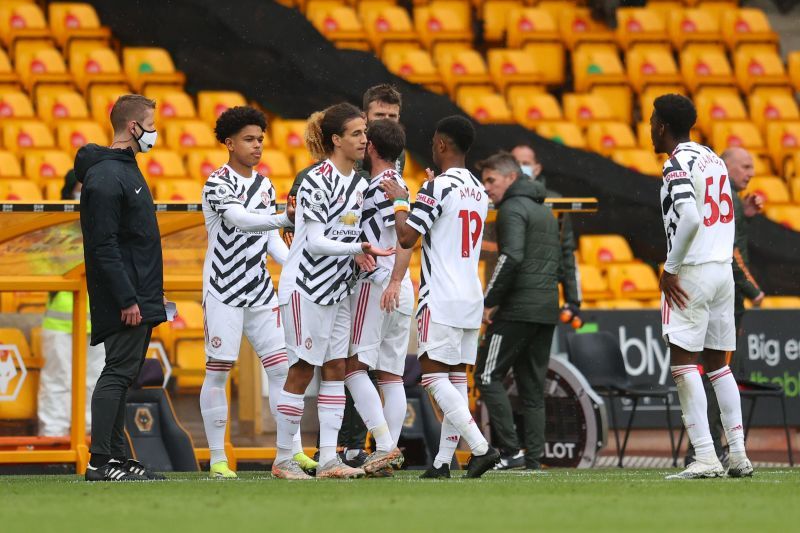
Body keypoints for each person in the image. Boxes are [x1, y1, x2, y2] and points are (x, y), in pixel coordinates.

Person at [271, 103, 394, 480]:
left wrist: (362, 258)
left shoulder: (359, 184)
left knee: (336, 369)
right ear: (336, 140)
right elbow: (317, 241)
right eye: (356, 133)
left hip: (338, 290)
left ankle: (328, 459)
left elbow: (349, 233)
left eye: (365, 134)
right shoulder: (314, 180)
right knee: (301, 369)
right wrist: (358, 249)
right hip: (305, 287)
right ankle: (282, 459)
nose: (364, 140)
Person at [198, 106, 315, 479]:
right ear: (229, 143)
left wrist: (296, 265)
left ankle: (291, 452)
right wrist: (284, 219)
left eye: (261, 140)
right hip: (223, 289)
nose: (257, 146)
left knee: (282, 370)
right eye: (249, 139)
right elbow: (239, 221)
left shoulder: (264, 185)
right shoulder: (217, 183)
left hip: (261, 291)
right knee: (218, 371)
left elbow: (266, 239)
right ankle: (218, 458)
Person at [381, 115, 500, 479]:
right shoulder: (479, 190)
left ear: (443, 145)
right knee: (456, 378)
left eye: (434, 141)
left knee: (433, 378)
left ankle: (480, 449)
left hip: (442, 295)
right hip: (470, 294)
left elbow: (405, 237)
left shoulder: (438, 189)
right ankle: (442, 462)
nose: (432, 146)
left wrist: (402, 201)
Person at [651, 94, 753, 479]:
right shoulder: (712, 158)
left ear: (662, 125)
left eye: (652, 121)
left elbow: (690, 218)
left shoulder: (676, 163)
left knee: (682, 363)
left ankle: (707, 456)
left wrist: (670, 269)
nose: (649, 128)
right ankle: (739, 455)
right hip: (722, 270)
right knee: (717, 366)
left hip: (692, 270)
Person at [77, 94, 166, 481]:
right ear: (134, 127)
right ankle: (100, 461)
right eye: (151, 123)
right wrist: (128, 297)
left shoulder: (122, 169)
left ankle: (115, 456)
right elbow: (104, 244)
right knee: (116, 373)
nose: (155, 131)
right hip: (126, 297)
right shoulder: (109, 175)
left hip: (137, 293)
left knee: (124, 373)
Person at [474, 152, 561, 471]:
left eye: (491, 180)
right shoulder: (545, 211)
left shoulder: (511, 208)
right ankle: (534, 459)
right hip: (547, 308)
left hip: (517, 309)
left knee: (486, 374)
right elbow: (562, 263)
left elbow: (511, 258)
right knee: (532, 387)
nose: (486, 189)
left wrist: (488, 300)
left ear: (511, 178)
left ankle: (510, 450)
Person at [338, 84, 407, 466]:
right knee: (392, 375)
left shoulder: (375, 189)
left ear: (371, 148)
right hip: (402, 284)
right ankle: (385, 451)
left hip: (377, 282)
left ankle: (383, 447)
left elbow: (400, 234)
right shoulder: (402, 185)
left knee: (352, 367)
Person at [683, 147, 765, 466]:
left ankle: (707, 445)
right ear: (725, 165)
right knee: (718, 370)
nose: (751, 172)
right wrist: (753, 289)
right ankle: (714, 447)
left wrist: (743, 211)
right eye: (745, 165)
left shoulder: (723, 194)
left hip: (707, 289)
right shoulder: (724, 192)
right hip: (725, 297)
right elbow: (732, 252)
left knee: (703, 370)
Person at [37, 170, 105, 437]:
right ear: (69, 192)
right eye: (79, 188)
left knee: (95, 381)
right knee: (57, 380)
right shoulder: (54, 230)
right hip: (60, 320)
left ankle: (92, 433)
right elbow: (40, 269)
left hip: (99, 320)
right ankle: (53, 433)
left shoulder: (106, 225)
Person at [510, 144, 581, 327]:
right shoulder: (497, 198)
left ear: (537, 167)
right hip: (508, 296)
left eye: (525, 162)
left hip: (544, 294)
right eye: (515, 163)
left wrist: (573, 300)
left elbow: (567, 252)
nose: (520, 167)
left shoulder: (555, 202)